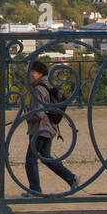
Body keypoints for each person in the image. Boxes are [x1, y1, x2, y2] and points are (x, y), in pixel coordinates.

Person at [22, 60, 78, 196]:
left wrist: (27, 115)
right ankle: (70, 177)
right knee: (46, 157)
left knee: (30, 160)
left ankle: (35, 190)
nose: (30, 74)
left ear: (39, 73)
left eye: (32, 71)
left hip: (40, 129)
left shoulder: (38, 89)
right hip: (50, 128)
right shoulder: (48, 85)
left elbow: (38, 113)